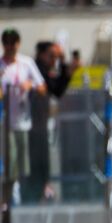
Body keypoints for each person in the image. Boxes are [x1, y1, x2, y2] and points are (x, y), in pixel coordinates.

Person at [0, 29, 46, 223]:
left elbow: (42, 87)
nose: (11, 47)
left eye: (13, 42)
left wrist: (30, 86)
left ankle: (14, 195)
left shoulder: (26, 63)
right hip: (5, 122)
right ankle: (7, 200)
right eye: (7, 43)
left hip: (24, 122)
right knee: (9, 164)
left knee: (21, 165)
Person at [23, 41, 79, 203]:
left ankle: (41, 191)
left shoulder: (44, 72)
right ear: (41, 55)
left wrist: (64, 66)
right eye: (51, 56)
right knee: (33, 165)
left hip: (39, 125)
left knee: (42, 162)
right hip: (30, 126)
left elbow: (57, 90)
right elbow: (52, 86)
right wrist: (63, 66)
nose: (54, 60)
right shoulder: (35, 69)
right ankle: (32, 195)